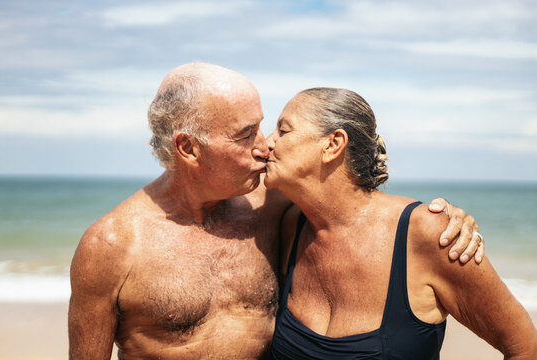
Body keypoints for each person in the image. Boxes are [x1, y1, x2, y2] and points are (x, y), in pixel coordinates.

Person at [68, 63, 483, 359]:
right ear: (189, 148)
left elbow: (352, 202)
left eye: (264, 126)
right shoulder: (112, 245)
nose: (265, 145)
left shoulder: (270, 206)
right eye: (245, 134)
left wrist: (447, 221)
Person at [265, 87, 537, 359]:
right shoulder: (291, 228)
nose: (267, 142)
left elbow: (524, 347)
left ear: (333, 144)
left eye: (283, 131)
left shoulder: (428, 233)